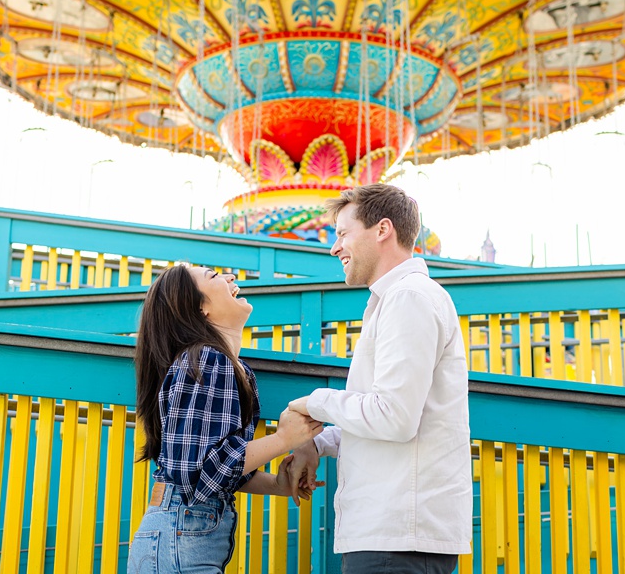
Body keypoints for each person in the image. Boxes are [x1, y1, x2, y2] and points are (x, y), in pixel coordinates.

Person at [287, 184, 473, 573]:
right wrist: (316, 444)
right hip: (393, 533)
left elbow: (394, 417)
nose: (334, 248)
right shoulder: (397, 299)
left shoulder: (409, 298)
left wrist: (311, 402)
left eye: (342, 233)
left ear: (382, 229)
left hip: (398, 535)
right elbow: (390, 418)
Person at [129, 264, 323, 573]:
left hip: (182, 534)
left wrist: (277, 484)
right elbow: (199, 471)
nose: (231, 277)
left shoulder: (232, 367)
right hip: (180, 535)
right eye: (214, 276)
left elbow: (216, 472)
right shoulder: (207, 359)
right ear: (200, 308)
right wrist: (283, 439)